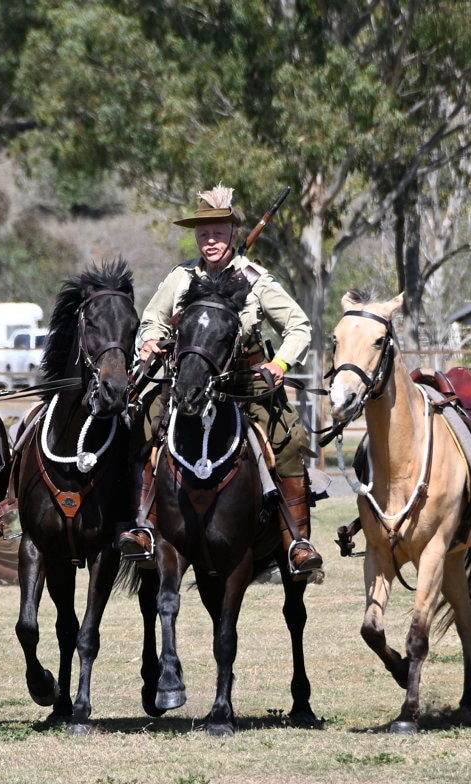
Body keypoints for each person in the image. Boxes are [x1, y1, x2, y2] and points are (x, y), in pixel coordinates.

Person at [118, 184, 323, 579]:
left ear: (232, 234)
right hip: (186, 384)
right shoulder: (181, 277)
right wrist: (149, 342)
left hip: (245, 384)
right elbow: (152, 318)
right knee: (144, 426)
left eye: (218, 232)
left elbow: (298, 326)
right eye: (203, 233)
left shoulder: (255, 279)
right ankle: (143, 526)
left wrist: (280, 363)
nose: (210, 240)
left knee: (289, 441)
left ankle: (297, 541)